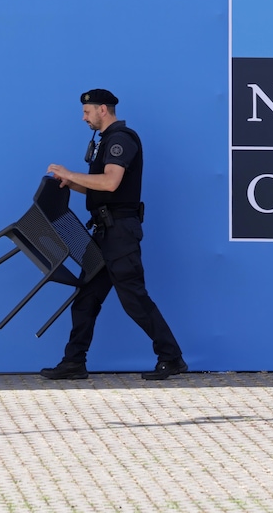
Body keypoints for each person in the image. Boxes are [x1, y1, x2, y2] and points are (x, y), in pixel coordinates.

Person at [41, 88, 187, 381]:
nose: (84, 118)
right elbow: (99, 188)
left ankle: (171, 358)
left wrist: (70, 173)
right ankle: (74, 362)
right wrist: (69, 184)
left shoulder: (121, 139)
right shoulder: (105, 141)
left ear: (103, 109)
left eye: (87, 112)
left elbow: (110, 183)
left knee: (134, 299)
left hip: (119, 233)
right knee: (86, 298)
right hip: (105, 232)